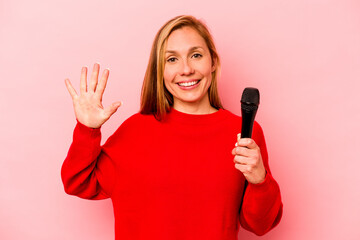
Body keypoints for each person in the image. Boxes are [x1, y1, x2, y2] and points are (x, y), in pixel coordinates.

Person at [61, 15, 283, 239]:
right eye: (172, 59)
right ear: (160, 70)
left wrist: (259, 179)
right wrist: (87, 130)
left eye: (196, 55)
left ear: (213, 62)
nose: (186, 69)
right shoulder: (135, 131)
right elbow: (77, 182)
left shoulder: (245, 133)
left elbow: (260, 225)